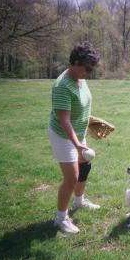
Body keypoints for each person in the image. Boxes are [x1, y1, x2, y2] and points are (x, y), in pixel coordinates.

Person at [47, 41, 101, 234]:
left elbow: (82, 106)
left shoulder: (80, 78)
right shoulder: (63, 85)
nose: (88, 72)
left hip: (78, 133)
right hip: (63, 135)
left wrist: (93, 121)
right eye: (87, 68)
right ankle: (60, 219)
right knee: (72, 177)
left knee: (85, 166)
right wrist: (78, 145)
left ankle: (79, 202)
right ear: (76, 62)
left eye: (91, 69)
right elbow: (64, 121)